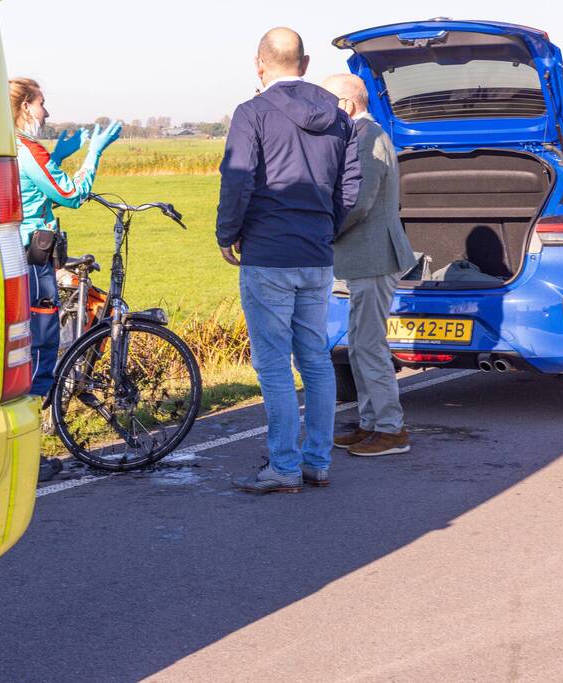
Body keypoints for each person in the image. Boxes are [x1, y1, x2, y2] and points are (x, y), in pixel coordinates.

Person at [217, 29, 360, 493]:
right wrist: (325, 228)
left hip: (269, 253)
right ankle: (317, 461)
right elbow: (350, 189)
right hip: (316, 254)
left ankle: (283, 465)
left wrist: (227, 234)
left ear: (259, 63)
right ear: (306, 61)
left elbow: (238, 180)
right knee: (315, 359)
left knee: (275, 364)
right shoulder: (340, 117)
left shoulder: (252, 113)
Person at [9, 77, 122, 481]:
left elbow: (32, 184)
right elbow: (71, 193)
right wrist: (93, 153)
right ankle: (28, 459)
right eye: (42, 104)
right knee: (38, 353)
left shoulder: (7, 145)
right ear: (24, 108)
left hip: (15, 259)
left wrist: (59, 153)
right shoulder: (28, 148)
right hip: (33, 262)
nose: (47, 112)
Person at [322, 74, 417, 457]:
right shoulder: (362, 136)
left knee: (369, 345)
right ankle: (370, 424)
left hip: (374, 256)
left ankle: (391, 430)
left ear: (346, 104)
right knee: (360, 344)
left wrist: (324, 233)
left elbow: (358, 202)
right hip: (367, 256)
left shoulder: (367, 138)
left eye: (329, 104)